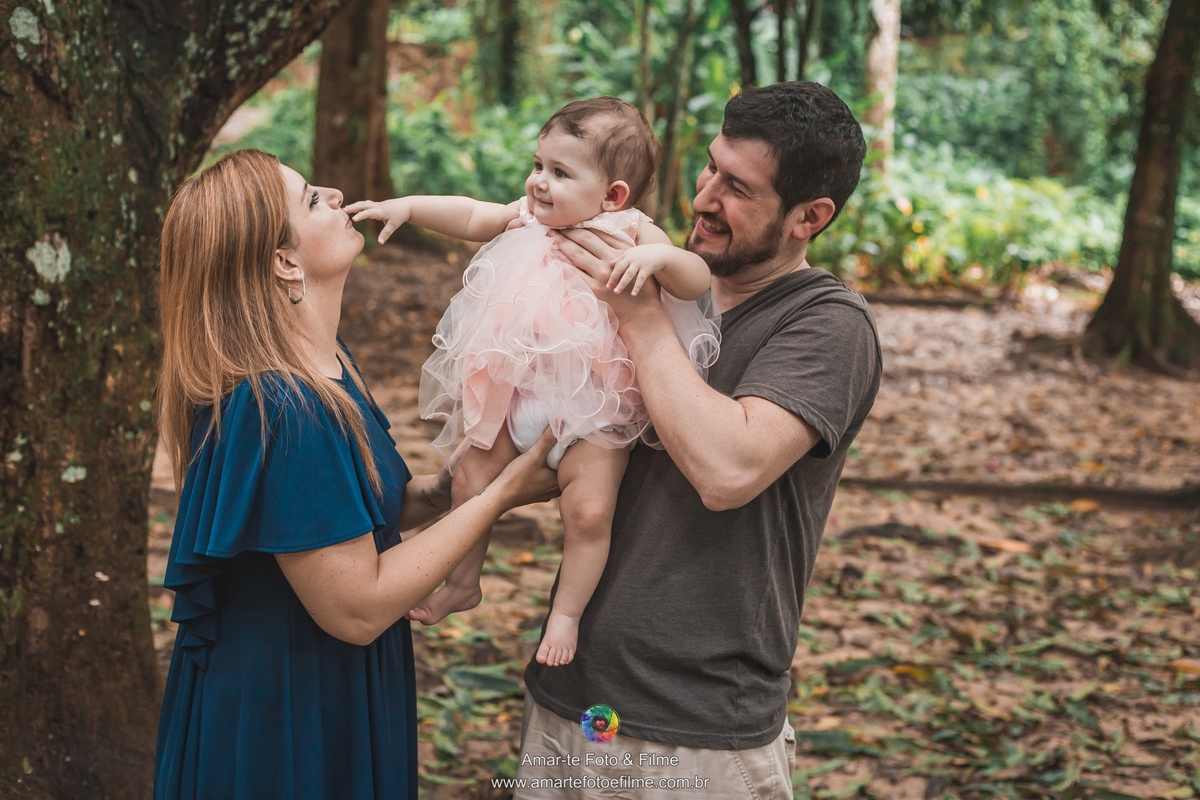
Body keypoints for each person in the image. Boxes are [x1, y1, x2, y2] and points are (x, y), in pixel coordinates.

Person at [152, 148, 559, 800]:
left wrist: (450, 488)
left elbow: (341, 513)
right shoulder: (281, 407)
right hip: (288, 714)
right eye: (313, 198)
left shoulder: (327, 366)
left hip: (320, 686)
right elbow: (358, 608)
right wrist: (503, 497)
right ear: (284, 261)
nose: (338, 193)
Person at [515, 81, 883, 797]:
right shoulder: (660, 276)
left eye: (738, 187)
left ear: (811, 216)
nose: (705, 197)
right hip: (574, 698)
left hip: (698, 734)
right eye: (710, 167)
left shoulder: (827, 324)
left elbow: (726, 470)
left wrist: (640, 319)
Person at [347, 97, 720, 667]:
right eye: (539, 164)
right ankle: (464, 583)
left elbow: (696, 279)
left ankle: (565, 616)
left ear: (613, 195)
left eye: (560, 173)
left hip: (595, 411)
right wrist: (409, 207)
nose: (538, 182)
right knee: (468, 481)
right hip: (517, 394)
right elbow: (472, 216)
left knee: (590, 512)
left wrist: (659, 262)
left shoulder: (630, 230)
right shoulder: (527, 215)